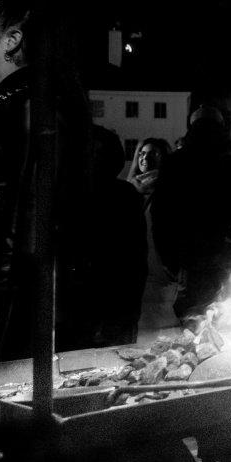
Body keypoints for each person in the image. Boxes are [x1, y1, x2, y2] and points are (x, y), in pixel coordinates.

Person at [0, 0, 91, 363]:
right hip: (7, 296)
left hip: (14, 306)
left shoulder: (30, 104)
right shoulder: (4, 106)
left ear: (12, 40)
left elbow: (30, 204)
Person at [150, 104, 231, 318]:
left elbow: (162, 215)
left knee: (198, 317)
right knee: (230, 313)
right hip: (226, 253)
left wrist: (170, 260)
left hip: (196, 257)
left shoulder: (178, 161)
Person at [83, 125, 148, 346]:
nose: (93, 159)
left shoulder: (124, 195)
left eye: (99, 153)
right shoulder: (71, 193)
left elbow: (135, 258)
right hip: (80, 302)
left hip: (115, 301)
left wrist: (128, 312)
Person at [126, 137, 181, 334]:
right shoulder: (129, 189)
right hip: (133, 267)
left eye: (153, 154)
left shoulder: (169, 190)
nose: (145, 158)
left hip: (159, 268)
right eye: (141, 153)